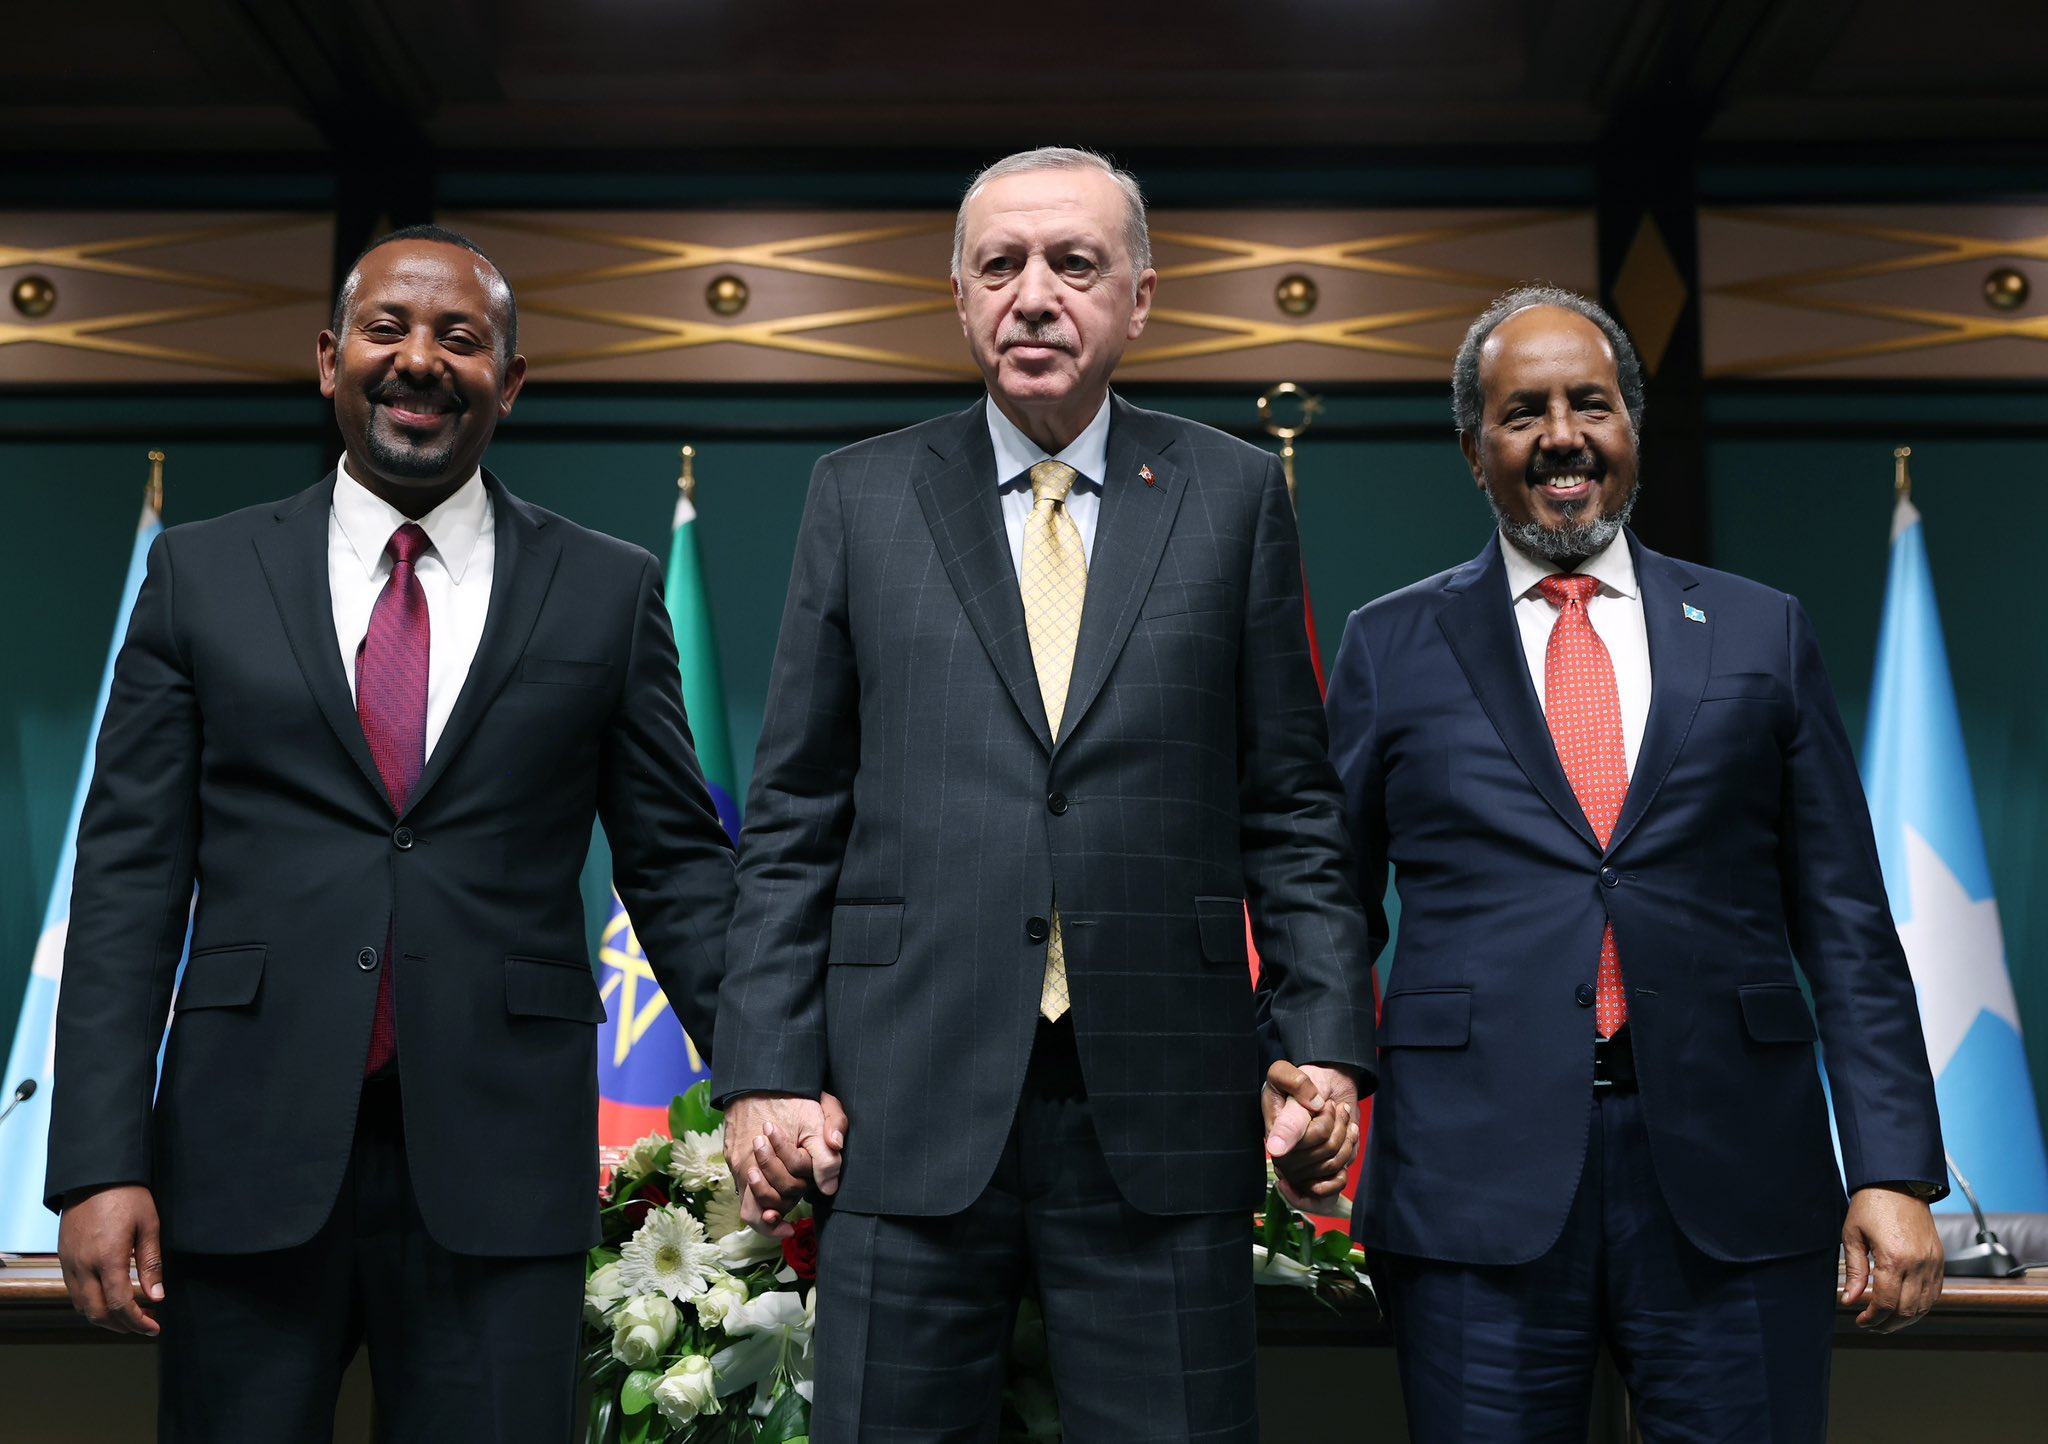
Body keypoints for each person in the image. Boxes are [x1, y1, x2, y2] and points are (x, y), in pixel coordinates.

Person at [45, 225, 792, 1441]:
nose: (420, 360)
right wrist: (97, 1162)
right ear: (330, 356)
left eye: (461, 337)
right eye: (388, 329)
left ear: (511, 380)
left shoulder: (605, 589)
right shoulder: (198, 574)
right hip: (242, 1158)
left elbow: (677, 866)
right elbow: (127, 880)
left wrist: (762, 1072)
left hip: (500, 1166)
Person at [712, 147, 1374, 1442]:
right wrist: (765, 1070)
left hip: (1166, 1098)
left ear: (1138, 298)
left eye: (1074, 264)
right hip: (900, 1097)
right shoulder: (859, 496)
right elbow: (793, 815)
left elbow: (1292, 804)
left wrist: (1326, 1041)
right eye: (999, 264)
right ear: (958, 298)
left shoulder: (1233, 496)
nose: (1033, 294)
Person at [1318, 284, 1947, 1441]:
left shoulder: (1762, 631)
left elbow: (1845, 920)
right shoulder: (1387, 644)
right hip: (1472, 1184)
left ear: (1630, 432)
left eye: (1589, 404)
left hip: (1734, 1175)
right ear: (1473, 450)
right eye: (1522, 412)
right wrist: (1317, 1069)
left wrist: (1893, 1169)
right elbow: (1327, 903)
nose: (1561, 435)